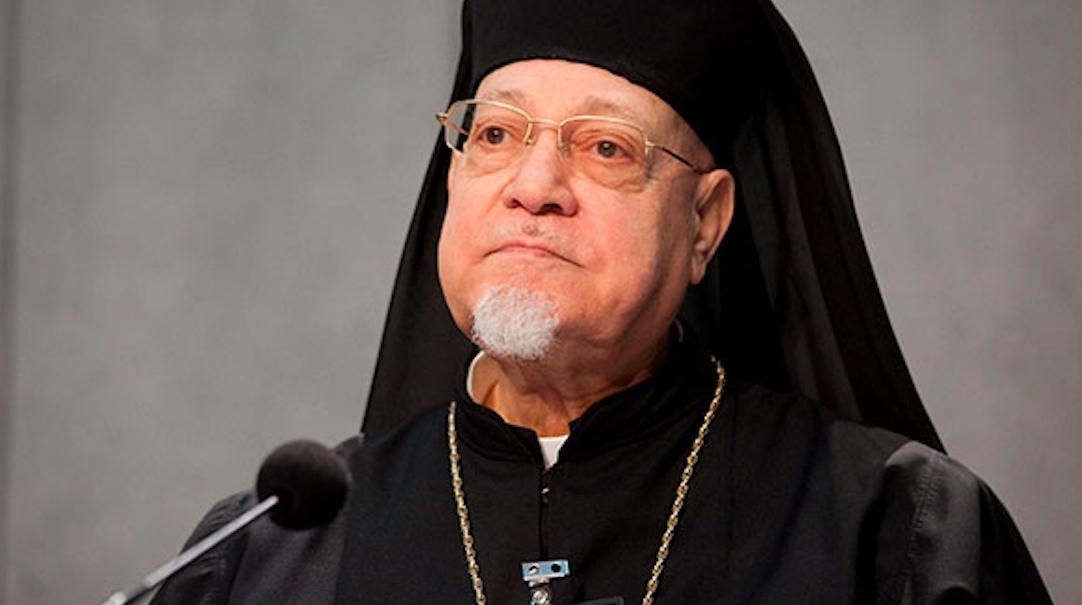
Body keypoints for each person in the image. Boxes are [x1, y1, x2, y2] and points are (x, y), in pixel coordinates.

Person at [151, 0, 1053, 603]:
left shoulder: (896, 533)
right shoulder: (273, 554)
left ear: (705, 222)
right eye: (495, 133)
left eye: (607, 147)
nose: (534, 186)